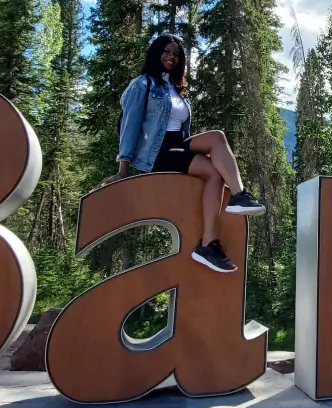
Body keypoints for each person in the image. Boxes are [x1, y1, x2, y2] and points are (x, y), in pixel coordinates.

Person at [103, 34, 264, 273]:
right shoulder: (143, 83)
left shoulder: (176, 89)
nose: (171, 57)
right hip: (155, 153)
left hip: (176, 145)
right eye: (167, 52)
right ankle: (228, 213)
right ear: (156, 53)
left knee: (216, 147)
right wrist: (122, 170)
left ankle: (211, 240)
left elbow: (180, 128)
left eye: (176, 55)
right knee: (213, 167)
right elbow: (130, 125)